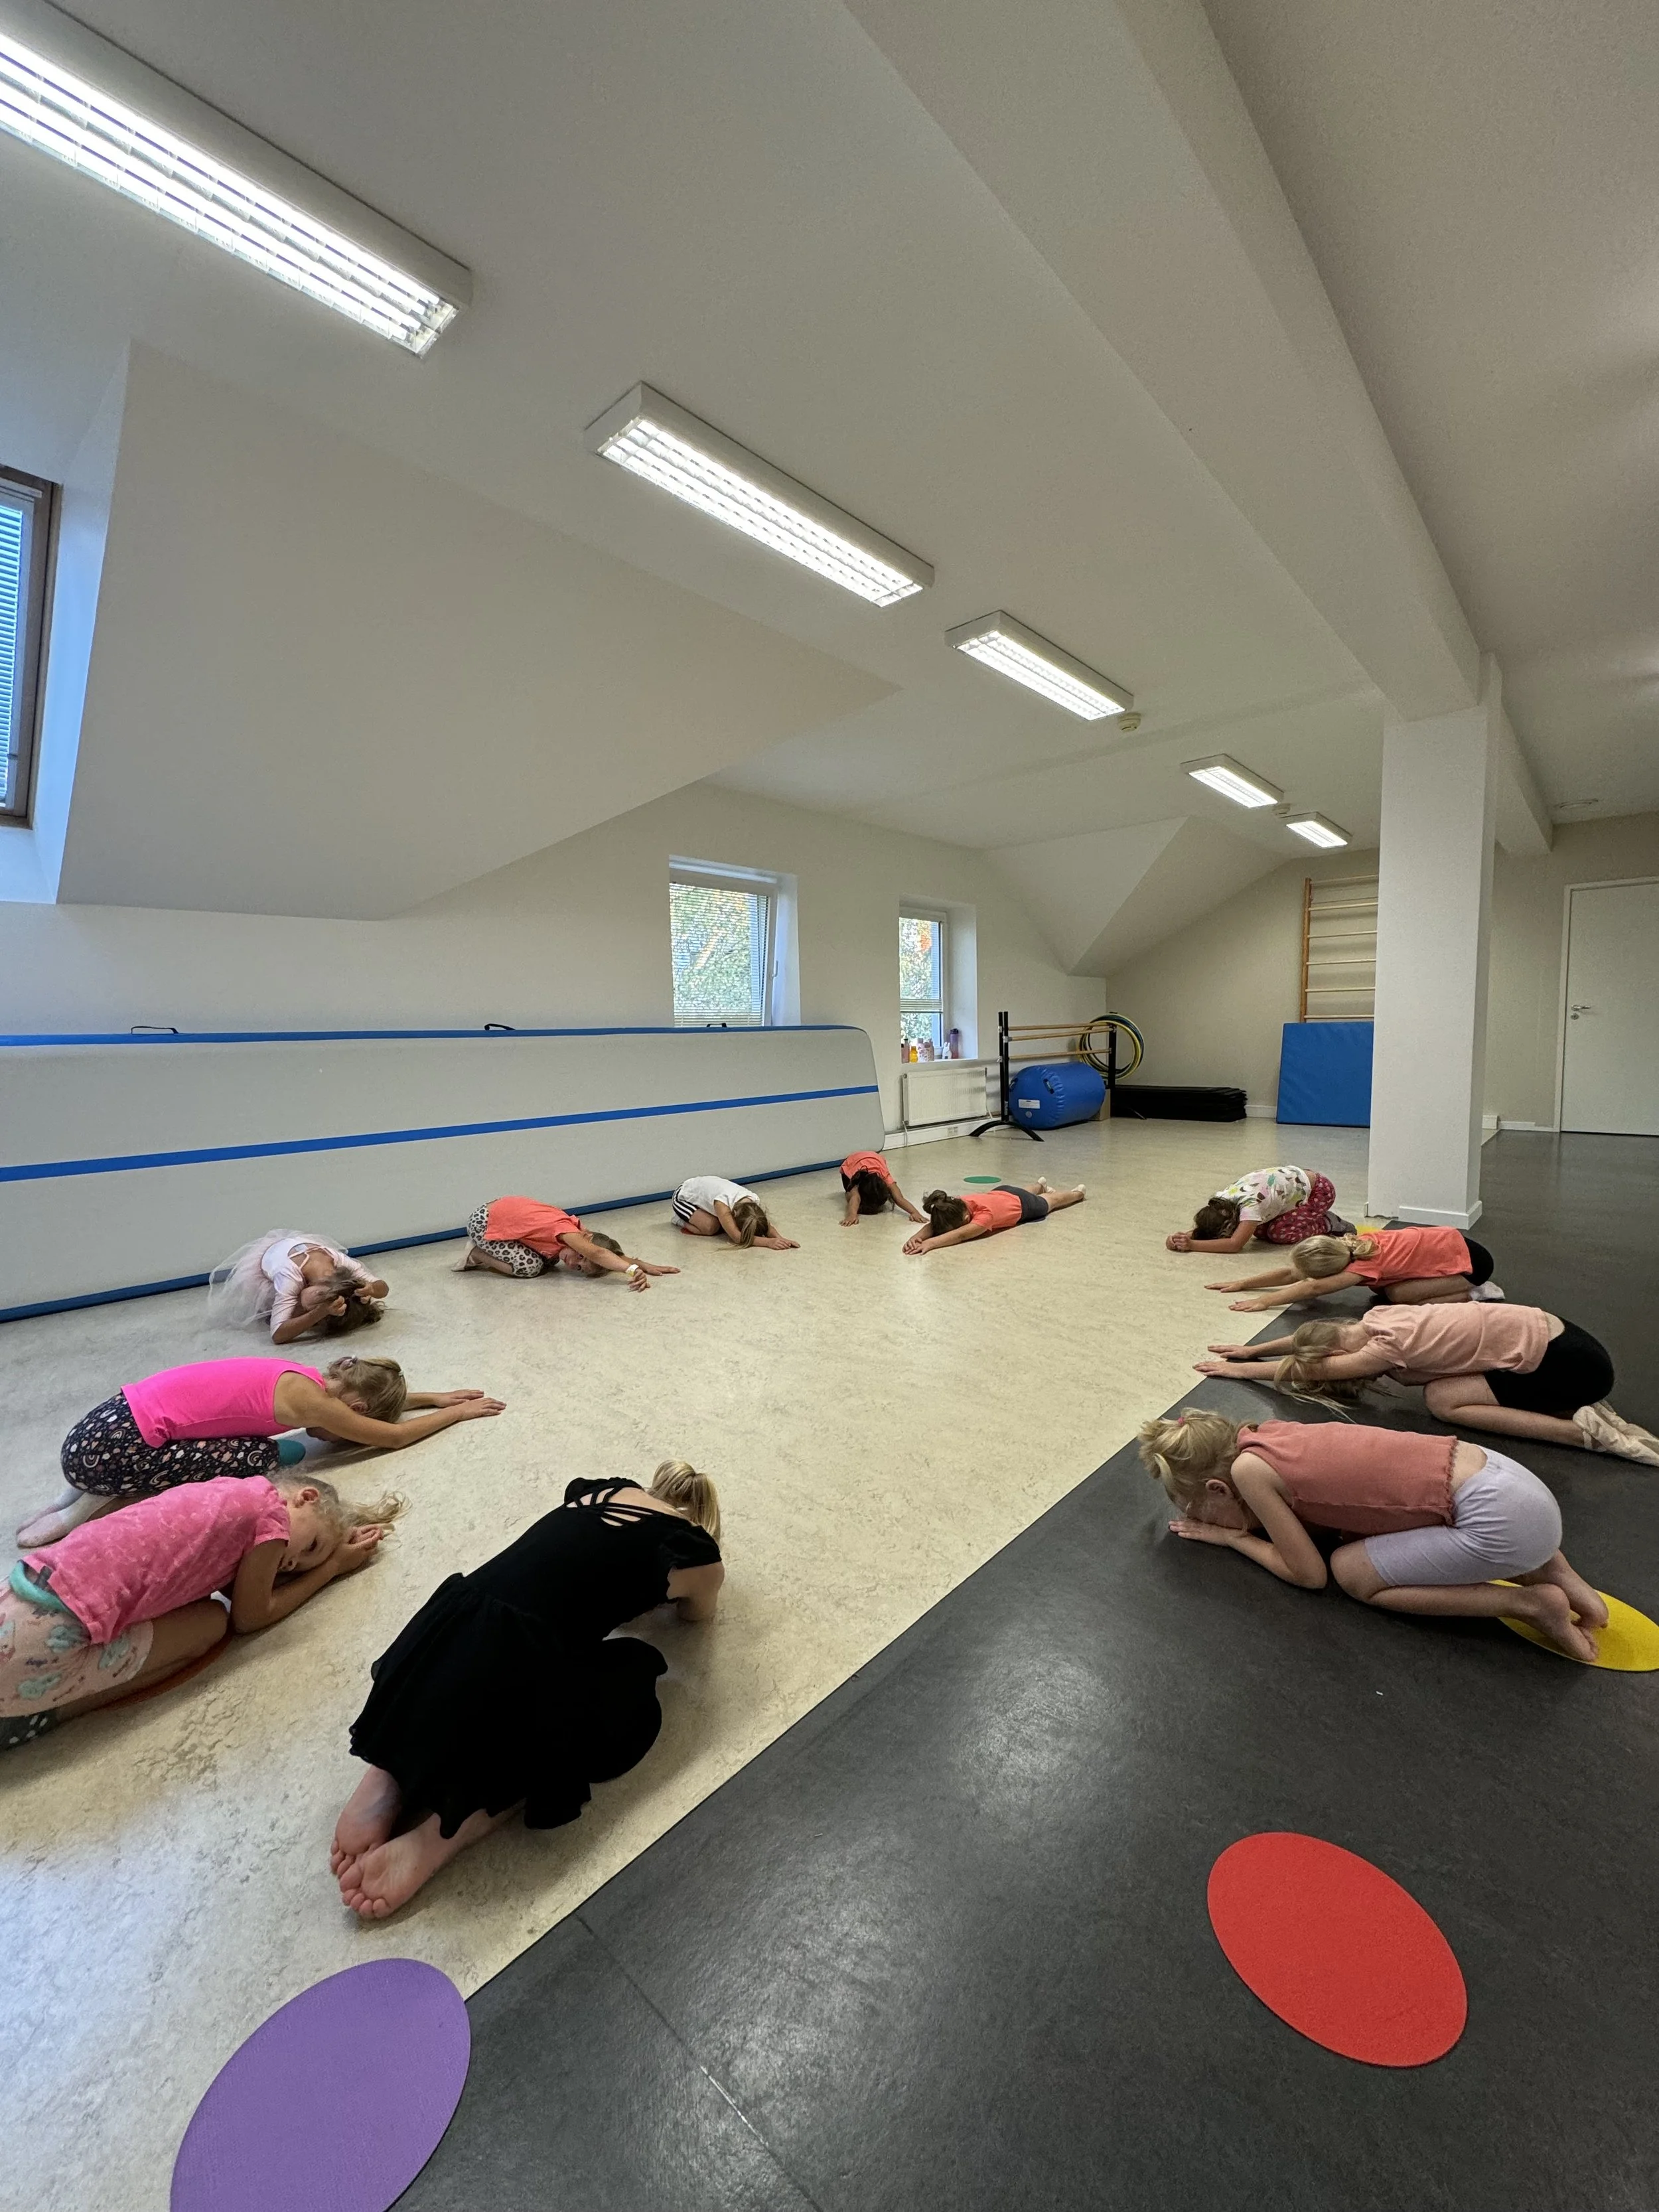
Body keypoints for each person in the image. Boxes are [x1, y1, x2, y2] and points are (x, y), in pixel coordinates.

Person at [331, 1460, 725, 1919]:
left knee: (467, 1679)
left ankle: (389, 1770)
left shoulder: (600, 1491)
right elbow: (697, 1616)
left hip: (446, 1628)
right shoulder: (695, 1551)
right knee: (631, 1675)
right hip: (522, 1669)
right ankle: (454, 1826)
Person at [1139, 1409, 1605, 1662]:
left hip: (1501, 1519)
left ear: (1219, 1488)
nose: (1202, 1519)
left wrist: (1235, 1540)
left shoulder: (1249, 1472)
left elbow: (1308, 1574)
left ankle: (1529, 1604)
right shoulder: (1265, 1434)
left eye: (1198, 1508)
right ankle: (1561, 1575)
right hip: (1512, 1482)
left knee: (1352, 1572)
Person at [1, 1471, 400, 1751]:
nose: (292, 1563)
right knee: (211, 1625)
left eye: (299, 1568)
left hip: (23, 1588)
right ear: (305, 1498)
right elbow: (250, 1617)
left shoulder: (226, 1490)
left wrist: (320, 1553)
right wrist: (331, 1569)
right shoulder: (273, 1519)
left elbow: (220, 1577)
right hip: (45, 1644)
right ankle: (51, 1711)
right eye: (311, 1546)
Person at [15, 1355, 504, 1549]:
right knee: (259, 1458)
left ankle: (68, 1496)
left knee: (258, 1445)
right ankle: (85, 1508)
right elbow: (392, 1437)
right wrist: (458, 1414)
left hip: (95, 1432)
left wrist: (433, 1397)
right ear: (354, 1409)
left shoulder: (306, 1377)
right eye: (349, 1427)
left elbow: (366, 1408)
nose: (334, 1437)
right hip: (112, 1454)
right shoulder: (315, 1403)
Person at [1198, 1303, 1659, 1463]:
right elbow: (1313, 1340)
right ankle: (1571, 1408)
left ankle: (1579, 1431)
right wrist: (1254, 1348)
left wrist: (1243, 1369)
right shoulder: (1378, 1318)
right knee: (1443, 1384)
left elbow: (1313, 1368)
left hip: (1573, 1369)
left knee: (1442, 1400)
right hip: (1569, 1342)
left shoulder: (1383, 1350)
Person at [1207, 1224, 1497, 1311]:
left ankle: (1476, 1292)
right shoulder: (1350, 1245)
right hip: (1456, 1243)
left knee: (1397, 1296)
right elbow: (1293, 1274)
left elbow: (1312, 1287)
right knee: (1384, 1290)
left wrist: (1265, 1301)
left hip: (1474, 1265)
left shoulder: (1364, 1266)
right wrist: (1244, 1283)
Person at [458, 1196, 679, 1290]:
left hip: (501, 1212)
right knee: (530, 1267)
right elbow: (598, 1254)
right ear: (586, 1240)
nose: (573, 1264)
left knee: (549, 1262)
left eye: (580, 1269)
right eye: (581, 1256)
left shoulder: (579, 1235)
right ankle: (476, 1254)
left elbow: (601, 1253)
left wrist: (640, 1263)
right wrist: (631, 1270)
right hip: (484, 1221)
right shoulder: (567, 1232)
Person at [208, 1230, 389, 1343]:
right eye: (317, 1302)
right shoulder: (288, 1277)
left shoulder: (343, 1269)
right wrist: (319, 1312)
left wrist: (373, 1289)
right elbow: (278, 1334)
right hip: (279, 1262)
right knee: (292, 1306)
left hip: (299, 1255)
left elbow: (382, 1288)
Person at [1166, 1166, 1348, 1254]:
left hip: (1319, 1192)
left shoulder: (1250, 1206)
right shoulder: (1223, 1200)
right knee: (1260, 1231)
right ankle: (1308, 1216)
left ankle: (1327, 1222)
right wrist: (1182, 1238)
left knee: (1280, 1234)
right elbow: (1210, 1229)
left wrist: (1193, 1245)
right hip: (1295, 1185)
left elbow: (1235, 1245)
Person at [902, 1177, 1086, 1255]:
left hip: (1023, 1206)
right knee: (1023, 1192)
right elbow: (935, 1223)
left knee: (1050, 1201)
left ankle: (1077, 1194)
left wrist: (930, 1243)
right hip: (1003, 1191)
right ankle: (1040, 1185)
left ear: (966, 1220)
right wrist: (916, 1237)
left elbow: (960, 1235)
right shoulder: (956, 1202)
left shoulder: (985, 1217)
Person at [671, 1176, 798, 1250]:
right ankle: (680, 1220)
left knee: (723, 1225)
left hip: (708, 1193)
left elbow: (765, 1224)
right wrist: (768, 1242)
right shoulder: (722, 1203)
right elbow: (737, 1237)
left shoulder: (753, 1200)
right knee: (711, 1227)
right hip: (683, 1197)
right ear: (735, 1214)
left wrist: (780, 1238)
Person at [839, 1151, 927, 1228]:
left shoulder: (885, 1176)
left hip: (875, 1157)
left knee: (856, 1195)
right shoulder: (856, 1179)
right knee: (851, 1193)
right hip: (852, 1161)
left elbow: (899, 1198)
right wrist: (852, 1215)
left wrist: (914, 1212)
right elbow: (855, 1197)